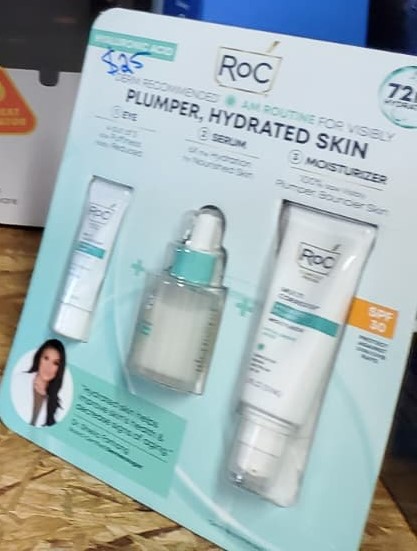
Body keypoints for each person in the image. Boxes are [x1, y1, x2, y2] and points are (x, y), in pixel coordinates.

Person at [27, 339, 66, 426]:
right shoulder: (18, 380)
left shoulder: (57, 405)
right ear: (39, 358)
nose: (48, 367)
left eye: (56, 363)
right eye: (46, 358)